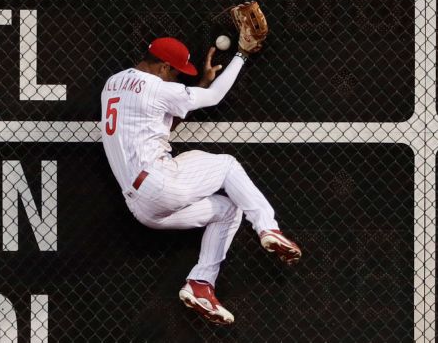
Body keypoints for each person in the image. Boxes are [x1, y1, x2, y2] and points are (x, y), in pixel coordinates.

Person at [99, 36, 301, 325]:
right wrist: (242, 55)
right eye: (176, 72)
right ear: (164, 67)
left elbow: (162, 118)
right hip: (160, 182)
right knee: (228, 166)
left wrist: (199, 85)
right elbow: (215, 97)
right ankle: (269, 227)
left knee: (228, 209)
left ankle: (200, 284)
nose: (178, 77)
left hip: (141, 207)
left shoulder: (112, 83)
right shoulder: (157, 87)